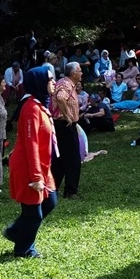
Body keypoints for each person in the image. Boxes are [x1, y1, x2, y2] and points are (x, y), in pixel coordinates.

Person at [3, 67, 58, 258]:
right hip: (28, 166)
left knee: (50, 201)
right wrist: (35, 177)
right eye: (49, 79)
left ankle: (15, 231)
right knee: (34, 213)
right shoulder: (31, 108)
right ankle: (24, 249)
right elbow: (31, 144)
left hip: (42, 166)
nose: (53, 82)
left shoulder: (41, 104)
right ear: (39, 82)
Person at [51, 62, 83, 199]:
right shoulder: (66, 84)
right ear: (73, 73)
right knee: (73, 159)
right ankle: (71, 191)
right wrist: (68, 116)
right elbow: (59, 98)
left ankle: (53, 188)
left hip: (62, 125)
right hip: (65, 125)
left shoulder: (68, 84)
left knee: (60, 159)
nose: (82, 73)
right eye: (80, 71)